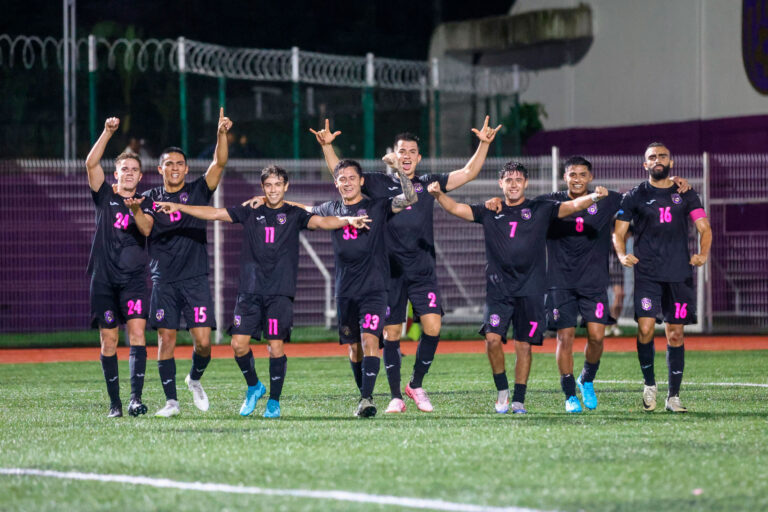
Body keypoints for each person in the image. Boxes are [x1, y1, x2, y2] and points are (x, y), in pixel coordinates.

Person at [309, 117, 501, 414]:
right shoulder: (377, 182)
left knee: (433, 326)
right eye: (402, 151)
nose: (407, 156)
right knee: (391, 334)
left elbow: (468, 172)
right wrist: (328, 147)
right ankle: (396, 396)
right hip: (388, 272)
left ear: (419, 157)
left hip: (422, 269)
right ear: (393, 155)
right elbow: (342, 175)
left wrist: (484, 144)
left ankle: (416, 384)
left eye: (412, 151)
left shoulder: (427, 183)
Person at [155, 166, 370, 418]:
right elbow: (214, 213)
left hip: (280, 291)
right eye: (268, 185)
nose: (273, 189)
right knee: (238, 344)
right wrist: (179, 207)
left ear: (286, 186)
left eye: (278, 184)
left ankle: (274, 402)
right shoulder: (251, 210)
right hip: (249, 290)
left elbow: (323, 221)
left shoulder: (294, 213)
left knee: (275, 346)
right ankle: (254, 386)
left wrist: (348, 220)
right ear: (263, 187)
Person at [486, 159, 689, 412]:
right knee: (565, 337)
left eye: (582, 174)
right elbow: (517, 205)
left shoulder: (606, 198)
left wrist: (673, 185)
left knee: (596, 336)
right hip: (559, 283)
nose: (577, 179)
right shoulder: (549, 202)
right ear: (564, 177)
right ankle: (569, 394)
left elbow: (642, 196)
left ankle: (587, 379)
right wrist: (495, 200)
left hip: (594, 282)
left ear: (590, 176)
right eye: (572, 174)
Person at [429, 162, 609, 414]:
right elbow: (457, 208)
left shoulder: (540, 208)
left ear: (526, 183)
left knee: (523, 345)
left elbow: (573, 205)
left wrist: (594, 196)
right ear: (500, 184)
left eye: (518, 180)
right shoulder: (490, 210)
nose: (513, 184)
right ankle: (503, 391)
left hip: (532, 290)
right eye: (508, 180)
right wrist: (439, 195)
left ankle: (519, 399)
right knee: (492, 340)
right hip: (498, 290)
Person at [137, 108, 233, 417]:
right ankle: (172, 402)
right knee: (166, 339)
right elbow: (147, 228)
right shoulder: (150, 197)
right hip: (164, 279)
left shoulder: (197, 191)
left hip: (194, 278)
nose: (175, 168)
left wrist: (221, 134)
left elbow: (219, 163)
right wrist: (137, 210)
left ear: (186, 168)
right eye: (169, 164)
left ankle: (194, 379)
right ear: (160, 168)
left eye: (180, 163)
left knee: (204, 343)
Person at [311, 156, 417, 417]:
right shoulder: (330, 209)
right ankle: (363, 396)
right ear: (336, 183)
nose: (347, 183)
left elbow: (411, 197)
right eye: (342, 179)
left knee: (371, 339)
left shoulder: (378, 207)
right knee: (354, 347)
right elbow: (302, 211)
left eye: (351, 178)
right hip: (345, 290)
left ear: (361, 181)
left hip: (374, 288)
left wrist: (398, 169)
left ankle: (367, 398)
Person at [613, 142, 711, 413]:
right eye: (652, 157)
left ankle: (673, 397)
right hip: (648, 274)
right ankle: (649, 384)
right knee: (645, 328)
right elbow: (618, 232)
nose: (657, 159)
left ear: (672, 162)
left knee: (676, 334)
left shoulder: (687, 194)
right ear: (645, 164)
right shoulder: (634, 196)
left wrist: (703, 253)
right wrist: (622, 255)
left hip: (679, 274)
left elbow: (704, 228)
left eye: (662, 156)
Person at [85, 117, 152, 418]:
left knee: (137, 334)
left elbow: (147, 229)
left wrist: (136, 208)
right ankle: (114, 404)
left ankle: (135, 399)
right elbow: (90, 163)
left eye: (134, 170)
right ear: (116, 174)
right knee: (108, 339)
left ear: (140, 176)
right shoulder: (105, 196)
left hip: (134, 280)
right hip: (104, 280)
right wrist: (108, 133)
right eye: (124, 168)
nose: (129, 173)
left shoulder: (146, 201)